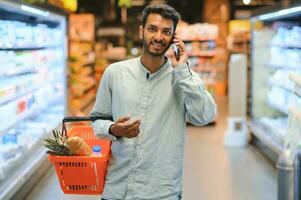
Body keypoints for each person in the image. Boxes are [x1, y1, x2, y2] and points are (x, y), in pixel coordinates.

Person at [90, 4, 217, 200]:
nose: (158, 37)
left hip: (161, 192)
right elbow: (97, 120)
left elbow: (204, 116)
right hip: (118, 189)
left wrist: (182, 70)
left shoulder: (183, 78)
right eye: (152, 29)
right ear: (141, 31)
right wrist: (114, 129)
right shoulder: (115, 73)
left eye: (166, 32)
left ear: (174, 38)